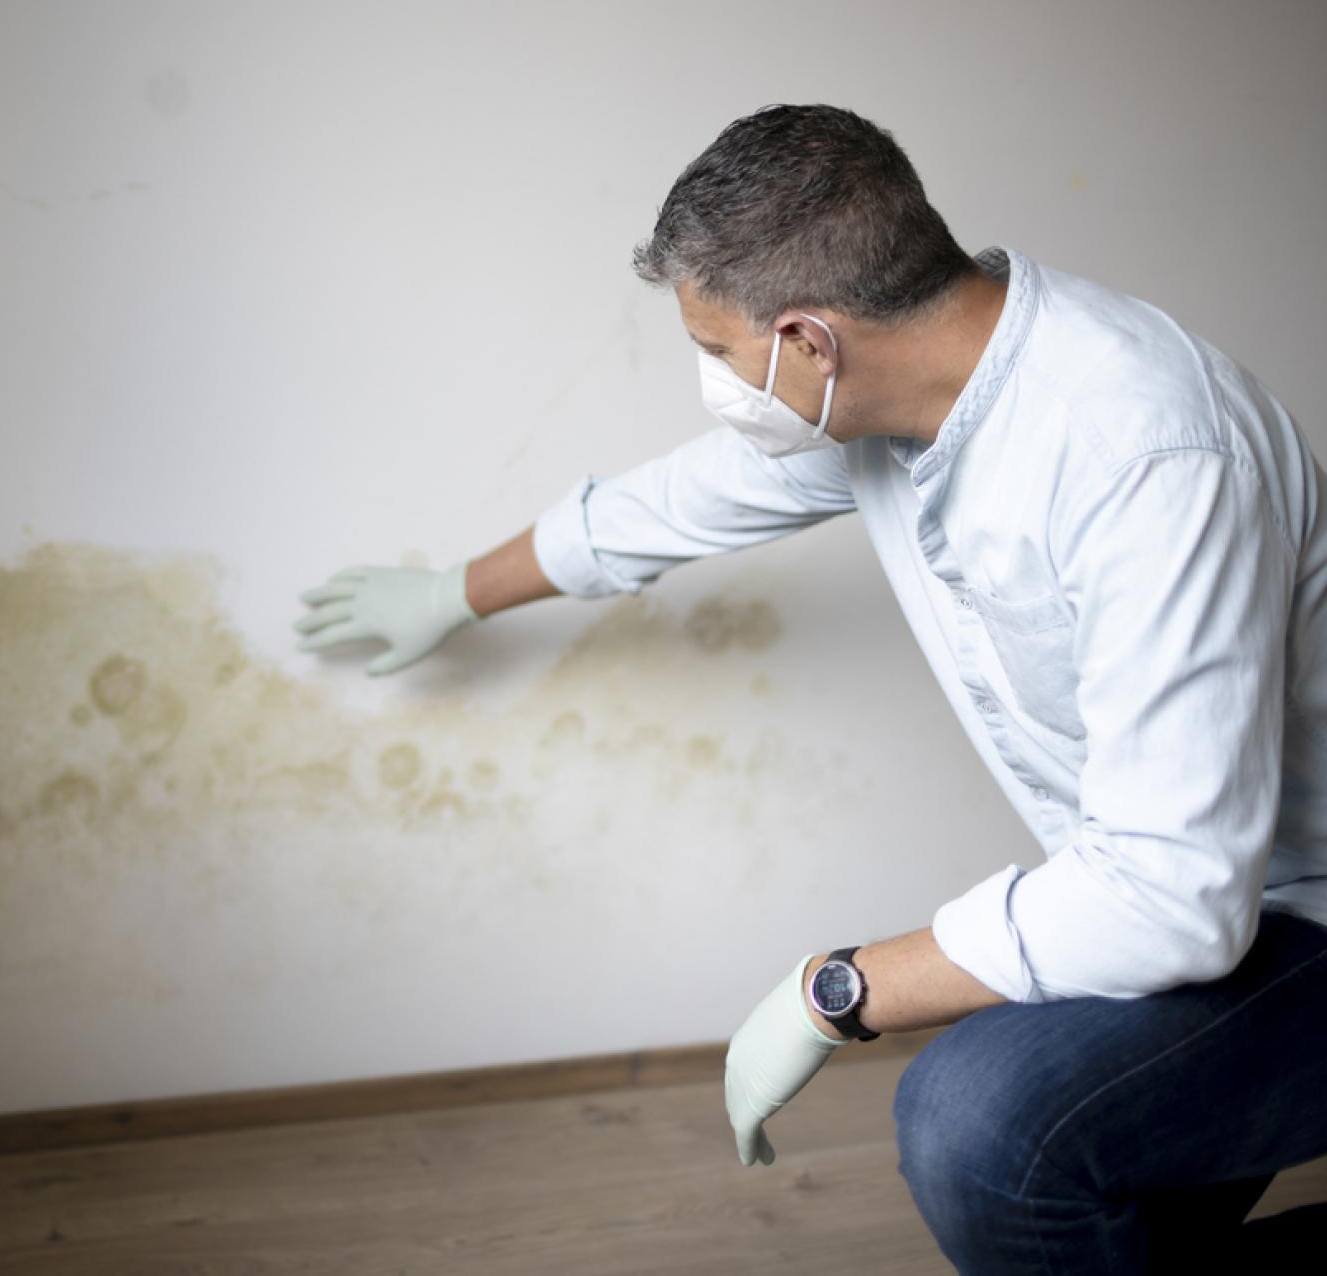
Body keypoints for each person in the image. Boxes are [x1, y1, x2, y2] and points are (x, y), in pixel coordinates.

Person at [291, 104, 1327, 1271]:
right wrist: (450, 592)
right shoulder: (900, 403)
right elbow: (666, 507)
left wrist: (832, 991)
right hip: (1204, 899)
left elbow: (1161, 899)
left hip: (1287, 912)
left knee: (978, 1123)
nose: (713, 382)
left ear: (807, 341)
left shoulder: (1139, 455)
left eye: (714, 351)